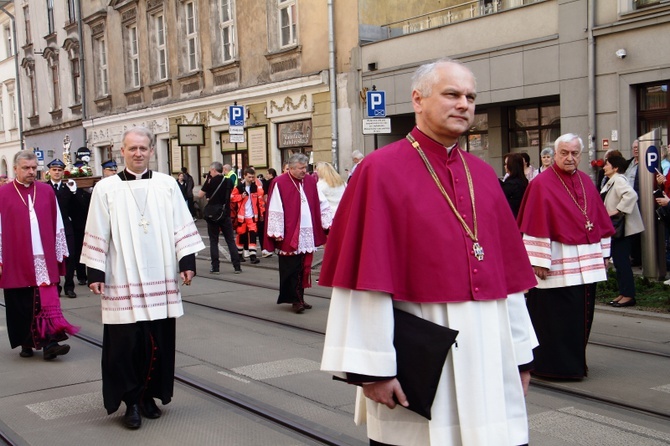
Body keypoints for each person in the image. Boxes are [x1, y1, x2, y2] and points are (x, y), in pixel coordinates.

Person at [320, 59, 538, 446]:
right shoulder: (379, 170)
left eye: (470, 96)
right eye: (452, 94)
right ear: (417, 100)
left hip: (489, 350)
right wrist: (373, 370)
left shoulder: (483, 174)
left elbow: (510, 281)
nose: (464, 104)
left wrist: (521, 355)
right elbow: (365, 277)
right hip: (421, 349)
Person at [81, 126, 205, 430]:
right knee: (125, 344)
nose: (138, 153)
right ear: (121, 151)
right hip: (121, 276)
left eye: (143, 148)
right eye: (132, 148)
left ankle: (150, 396)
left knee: (157, 339)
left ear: (152, 151)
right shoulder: (105, 188)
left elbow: (181, 223)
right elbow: (97, 229)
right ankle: (131, 402)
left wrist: (186, 260)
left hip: (160, 274)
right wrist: (95, 270)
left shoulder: (166, 185)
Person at [517, 133, 615, 380]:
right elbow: (535, 222)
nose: (569, 158)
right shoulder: (541, 183)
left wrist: (603, 255)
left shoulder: (586, 181)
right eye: (564, 153)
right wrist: (538, 260)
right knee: (554, 318)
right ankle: (550, 366)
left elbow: (600, 222)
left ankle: (575, 363)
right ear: (555, 154)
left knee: (581, 314)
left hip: (587, 263)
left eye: (574, 153)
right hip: (556, 264)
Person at [0, 150, 78, 360]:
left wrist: (60, 252)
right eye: (26, 168)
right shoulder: (3, 193)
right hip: (16, 256)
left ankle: (50, 342)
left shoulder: (45, 191)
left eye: (34, 168)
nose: (31, 172)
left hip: (43, 256)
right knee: (21, 301)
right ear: (15, 169)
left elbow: (58, 222)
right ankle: (26, 342)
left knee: (47, 299)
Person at [265, 153, 333, 314]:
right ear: (291, 168)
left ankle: (300, 298)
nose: (305, 171)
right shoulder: (279, 182)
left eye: (306, 167)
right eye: (301, 168)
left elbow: (321, 202)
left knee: (304, 266)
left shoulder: (310, 181)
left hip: (307, 231)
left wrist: (326, 221)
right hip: (290, 231)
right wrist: (277, 231)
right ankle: (294, 299)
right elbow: (275, 207)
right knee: (291, 267)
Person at [600, 155, 644, 307]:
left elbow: (631, 195)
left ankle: (629, 295)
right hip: (619, 228)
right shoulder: (612, 181)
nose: (604, 167)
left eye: (607, 164)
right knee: (619, 262)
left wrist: (616, 210)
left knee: (622, 262)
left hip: (624, 229)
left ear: (615, 168)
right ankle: (623, 292)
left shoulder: (619, 180)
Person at [198, 162, 242, 274]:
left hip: (213, 214)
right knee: (230, 240)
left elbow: (200, 195)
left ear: (213, 170)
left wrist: (207, 183)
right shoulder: (228, 181)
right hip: (225, 213)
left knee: (213, 240)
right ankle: (237, 266)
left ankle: (215, 267)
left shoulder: (210, 181)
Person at [47, 158, 78, 298]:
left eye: (59, 170)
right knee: (54, 258)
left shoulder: (68, 188)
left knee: (70, 257)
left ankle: (69, 286)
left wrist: (74, 193)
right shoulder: (45, 188)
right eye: (54, 170)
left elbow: (77, 209)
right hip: (50, 227)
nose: (57, 172)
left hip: (66, 226)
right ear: (49, 172)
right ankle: (56, 285)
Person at [230, 167, 265, 264]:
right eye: (249, 177)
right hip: (242, 216)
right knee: (242, 235)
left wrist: (261, 213)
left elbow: (260, 201)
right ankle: (239, 254)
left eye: (252, 177)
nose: (251, 179)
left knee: (253, 235)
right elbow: (232, 198)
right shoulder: (239, 187)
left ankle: (252, 255)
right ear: (244, 176)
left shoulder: (255, 188)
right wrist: (241, 197)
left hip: (253, 216)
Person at [499, 153, 528, 218]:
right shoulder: (524, 181)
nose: (505, 166)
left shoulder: (512, 184)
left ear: (512, 165)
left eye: (506, 164)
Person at [260, 168, 277, 258]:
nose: (266, 175)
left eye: (267, 173)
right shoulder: (277, 181)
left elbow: (265, 196)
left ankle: (268, 248)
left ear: (270, 174)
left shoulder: (267, 183)